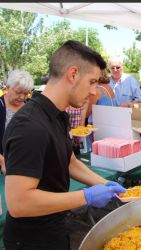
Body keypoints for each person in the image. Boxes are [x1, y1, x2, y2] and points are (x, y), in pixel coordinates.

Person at [3, 40, 126, 250]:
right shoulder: (29, 125)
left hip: (55, 226)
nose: (95, 91)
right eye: (93, 82)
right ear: (73, 74)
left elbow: (70, 162)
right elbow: (18, 203)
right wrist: (85, 196)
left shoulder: (59, 115)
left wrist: (103, 184)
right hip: (31, 240)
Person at [0, 70, 34, 175]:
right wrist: (2, 162)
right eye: (18, 92)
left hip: (26, 164)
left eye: (26, 93)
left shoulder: (31, 107)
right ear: (8, 88)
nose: (22, 97)